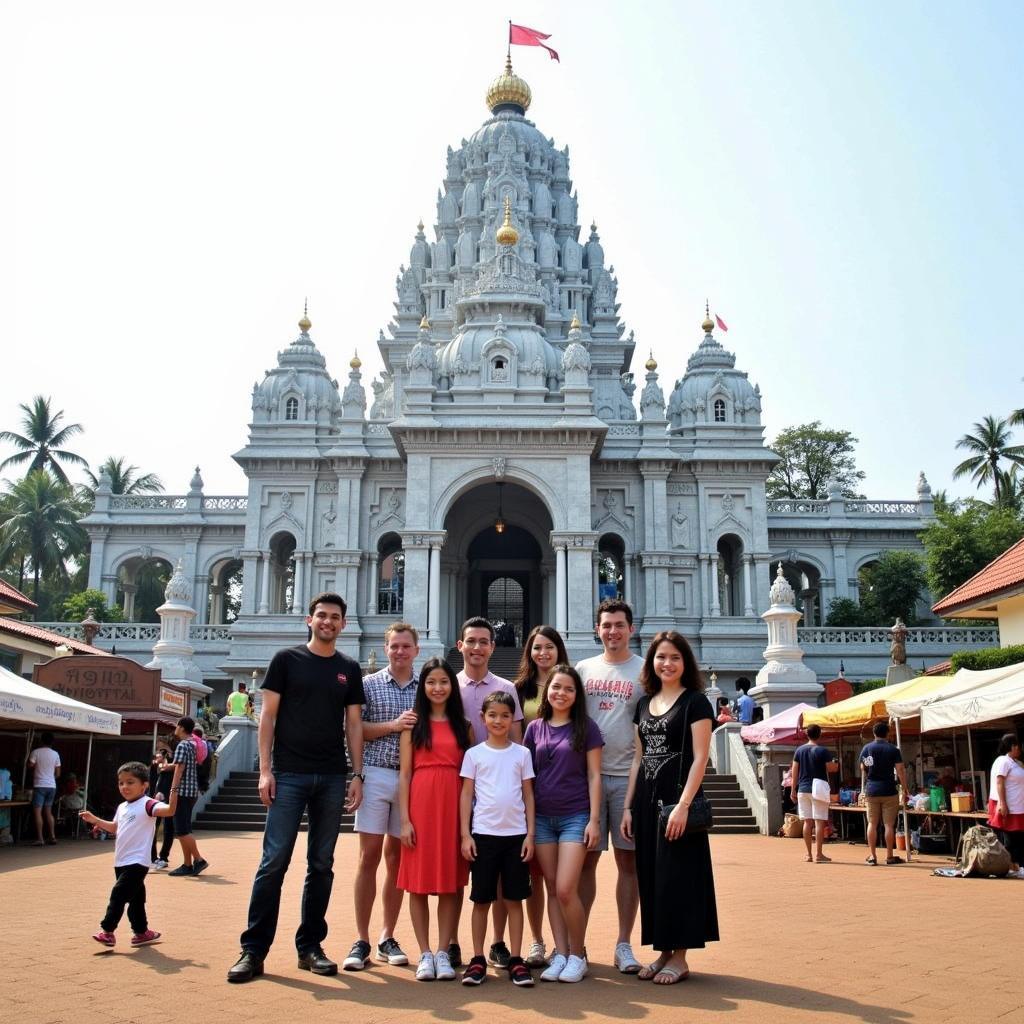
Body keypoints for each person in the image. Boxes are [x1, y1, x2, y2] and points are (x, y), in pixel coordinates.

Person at [227, 592, 365, 983]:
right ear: (309, 620)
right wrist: (265, 770)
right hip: (288, 775)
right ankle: (253, 951)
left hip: (332, 776)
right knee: (273, 863)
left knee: (321, 865)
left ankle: (310, 946)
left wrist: (358, 773)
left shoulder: (348, 668)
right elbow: (267, 716)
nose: (328, 622)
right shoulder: (286, 660)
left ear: (343, 623)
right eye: (322, 615)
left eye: (335, 617)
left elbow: (353, 724)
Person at [621, 631, 719, 984]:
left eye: (674, 658)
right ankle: (663, 950)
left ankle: (681, 957)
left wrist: (683, 805)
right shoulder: (644, 704)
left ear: (685, 663)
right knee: (653, 877)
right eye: (661, 657)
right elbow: (638, 758)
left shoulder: (696, 702)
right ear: (652, 662)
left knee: (680, 876)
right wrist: (629, 807)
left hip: (678, 801)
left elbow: (700, 757)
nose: (667, 663)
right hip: (647, 803)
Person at [345, 621, 419, 972]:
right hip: (374, 774)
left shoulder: (428, 689)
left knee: (397, 859)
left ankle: (387, 935)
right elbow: (355, 731)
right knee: (368, 857)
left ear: (416, 650)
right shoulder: (369, 685)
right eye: (394, 646)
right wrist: (357, 775)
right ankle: (361, 938)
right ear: (386, 648)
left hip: (411, 781)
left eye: (406, 646)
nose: (400, 652)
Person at [576, 599, 644, 975]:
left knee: (627, 862)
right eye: (606, 625)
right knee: (585, 861)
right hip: (588, 781)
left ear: (630, 629)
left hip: (628, 780)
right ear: (597, 630)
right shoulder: (583, 669)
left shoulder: (645, 672)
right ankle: (577, 945)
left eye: (619, 625)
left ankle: (623, 944)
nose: (613, 631)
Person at [452, 616, 524, 970]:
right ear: (459, 645)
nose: (478, 647)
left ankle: (498, 944)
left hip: (503, 796)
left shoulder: (507, 688)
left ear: (493, 647)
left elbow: (520, 742)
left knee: (500, 879)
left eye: (484, 641)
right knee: (458, 869)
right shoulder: (447, 685)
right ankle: (451, 942)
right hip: (457, 785)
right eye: (472, 641)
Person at [525, 665, 603, 984]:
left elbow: (595, 775)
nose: (561, 693)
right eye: (556, 687)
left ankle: (577, 953)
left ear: (577, 695)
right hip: (542, 817)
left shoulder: (587, 728)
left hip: (575, 815)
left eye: (569, 689)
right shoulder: (535, 729)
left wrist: (595, 819)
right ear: (548, 690)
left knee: (566, 889)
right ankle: (559, 952)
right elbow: (527, 777)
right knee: (551, 889)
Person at [398, 658, 472, 981]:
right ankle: (424, 951)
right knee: (417, 882)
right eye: (431, 682)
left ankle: (444, 950)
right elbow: (404, 775)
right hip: (421, 804)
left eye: (444, 682)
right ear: (423, 686)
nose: (438, 688)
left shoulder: (463, 725)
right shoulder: (413, 725)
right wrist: (404, 820)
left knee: (451, 883)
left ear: (451, 687)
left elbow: (471, 775)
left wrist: (467, 825)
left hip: (454, 804)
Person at [460, 691, 536, 988]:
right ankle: (478, 957)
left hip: (516, 836)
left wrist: (530, 834)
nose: (499, 720)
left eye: (505, 715)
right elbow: (467, 795)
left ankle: (516, 959)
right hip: (483, 836)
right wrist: (465, 834)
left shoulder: (522, 753)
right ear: (483, 718)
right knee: (481, 899)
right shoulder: (474, 754)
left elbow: (528, 794)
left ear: (512, 718)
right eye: (492, 715)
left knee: (514, 899)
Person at [512, 624, 568, 967]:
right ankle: (536, 941)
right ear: (529, 652)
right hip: (530, 789)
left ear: (559, 649)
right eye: (537, 648)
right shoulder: (518, 690)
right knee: (534, 873)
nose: (543, 653)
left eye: (549, 647)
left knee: (564, 878)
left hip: (566, 788)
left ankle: (569, 941)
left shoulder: (571, 685)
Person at [80, 760, 178, 948]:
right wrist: (95, 820)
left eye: (130, 782)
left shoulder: (148, 804)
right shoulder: (122, 807)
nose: (124, 786)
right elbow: (115, 828)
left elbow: (169, 810)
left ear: (144, 785)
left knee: (118, 894)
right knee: (136, 899)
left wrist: (174, 787)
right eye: (121, 782)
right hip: (121, 861)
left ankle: (107, 931)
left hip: (138, 861)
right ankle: (142, 932)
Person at [859, 721, 909, 865]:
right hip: (889, 790)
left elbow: (863, 767)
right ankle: (889, 856)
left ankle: (872, 856)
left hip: (872, 790)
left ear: (874, 733)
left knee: (872, 823)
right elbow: (900, 770)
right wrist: (904, 788)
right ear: (887, 733)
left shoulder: (866, 748)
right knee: (888, 825)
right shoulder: (893, 749)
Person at [166, 717, 209, 877]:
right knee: (184, 828)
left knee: (182, 830)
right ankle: (187, 864)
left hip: (183, 791)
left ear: (182, 727)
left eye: (177, 726)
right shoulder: (193, 744)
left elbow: (179, 769)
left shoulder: (183, 745)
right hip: (191, 791)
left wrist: (173, 789)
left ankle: (198, 859)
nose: (175, 728)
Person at [791, 723, 835, 864]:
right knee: (819, 821)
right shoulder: (822, 751)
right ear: (819, 734)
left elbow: (795, 771)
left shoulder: (799, 751)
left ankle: (809, 854)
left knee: (807, 822)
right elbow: (831, 768)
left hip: (803, 789)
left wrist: (793, 789)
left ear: (807, 734)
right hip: (818, 788)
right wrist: (835, 764)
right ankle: (819, 854)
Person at [987, 733, 1024, 875]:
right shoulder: (1003, 761)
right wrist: (1002, 803)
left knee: (1019, 838)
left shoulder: (1015, 762)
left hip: (1019, 806)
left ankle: (1018, 866)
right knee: (1010, 839)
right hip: (1010, 806)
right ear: (1012, 746)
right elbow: (999, 782)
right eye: (1018, 745)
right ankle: (1010, 867)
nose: (1020, 748)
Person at [28, 731, 61, 846]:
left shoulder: (35, 752)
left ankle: (40, 839)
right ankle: (52, 836)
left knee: (38, 813)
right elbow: (58, 774)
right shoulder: (56, 754)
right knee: (48, 812)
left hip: (39, 785)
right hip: (51, 786)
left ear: (41, 740)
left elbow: (30, 765)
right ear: (52, 742)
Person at [149, 744, 176, 868]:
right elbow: (152, 779)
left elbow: (166, 768)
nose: (159, 754)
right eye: (159, 751)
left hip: (169, 799)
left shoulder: (172, 764)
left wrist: (168, 759)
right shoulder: (155, 766)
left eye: (162, 751)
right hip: (155, 800)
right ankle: (153, 857)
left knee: (168, 828)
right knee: (152, 828)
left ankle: (164, 857)